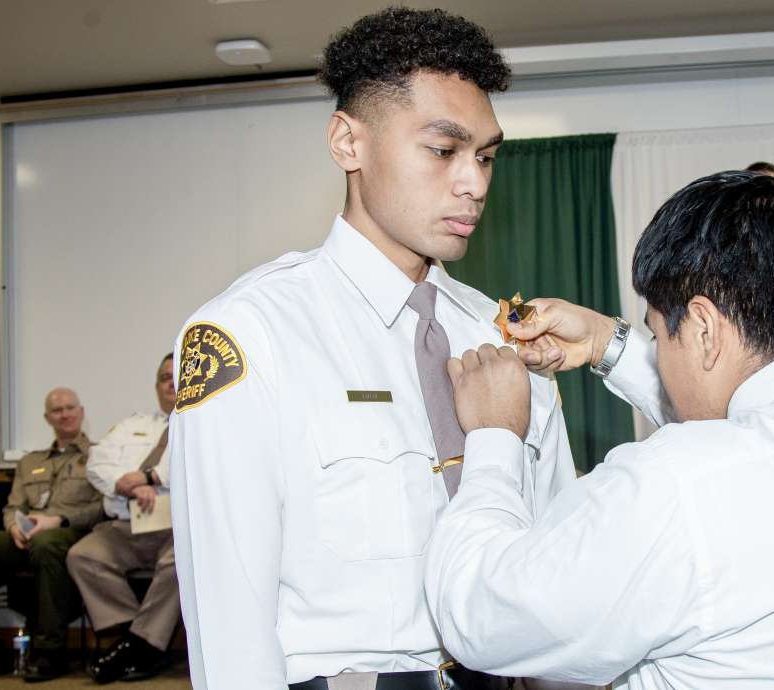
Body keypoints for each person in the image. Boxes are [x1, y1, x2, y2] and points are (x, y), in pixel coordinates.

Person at [425, 171, 774, 689]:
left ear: (702, 327)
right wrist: (606, 343)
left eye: (660, 334)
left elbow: (480, 619)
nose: (662, 358)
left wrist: (495, 434)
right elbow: (753, 439)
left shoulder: (677, 484)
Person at [168, 7, 577, 689]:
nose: (474, 183)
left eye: (485, 156)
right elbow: (229, 613)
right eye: (443, 151)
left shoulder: (501, 334)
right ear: (347, 143)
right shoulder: (252, 332)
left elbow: (555, 564)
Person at [0, 387, 102, 683]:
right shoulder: (30, 461)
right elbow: (13, 506)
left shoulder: (100, 455)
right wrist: (14, 526)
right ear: (47, 418)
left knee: (47, 542)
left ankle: (49, 650)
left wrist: (58, 519)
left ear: (81, 412)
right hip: (27, 537)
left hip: (72, 534)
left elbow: (103, 507)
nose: (64, 414)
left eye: (70, 408)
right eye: (57, 410)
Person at [68, 353, 178, 683]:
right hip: (125, 525)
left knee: (183, 564)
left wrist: (153, 478)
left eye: (178, 375)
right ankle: (140, 641)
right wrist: (123, 483)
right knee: (83, 556)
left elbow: (199, 468)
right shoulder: (132, 425)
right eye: (164, 377)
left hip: (176, 530)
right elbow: (96, 465)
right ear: (156, 386)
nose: (171, 383)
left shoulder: (204, 425)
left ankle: (136, 646)